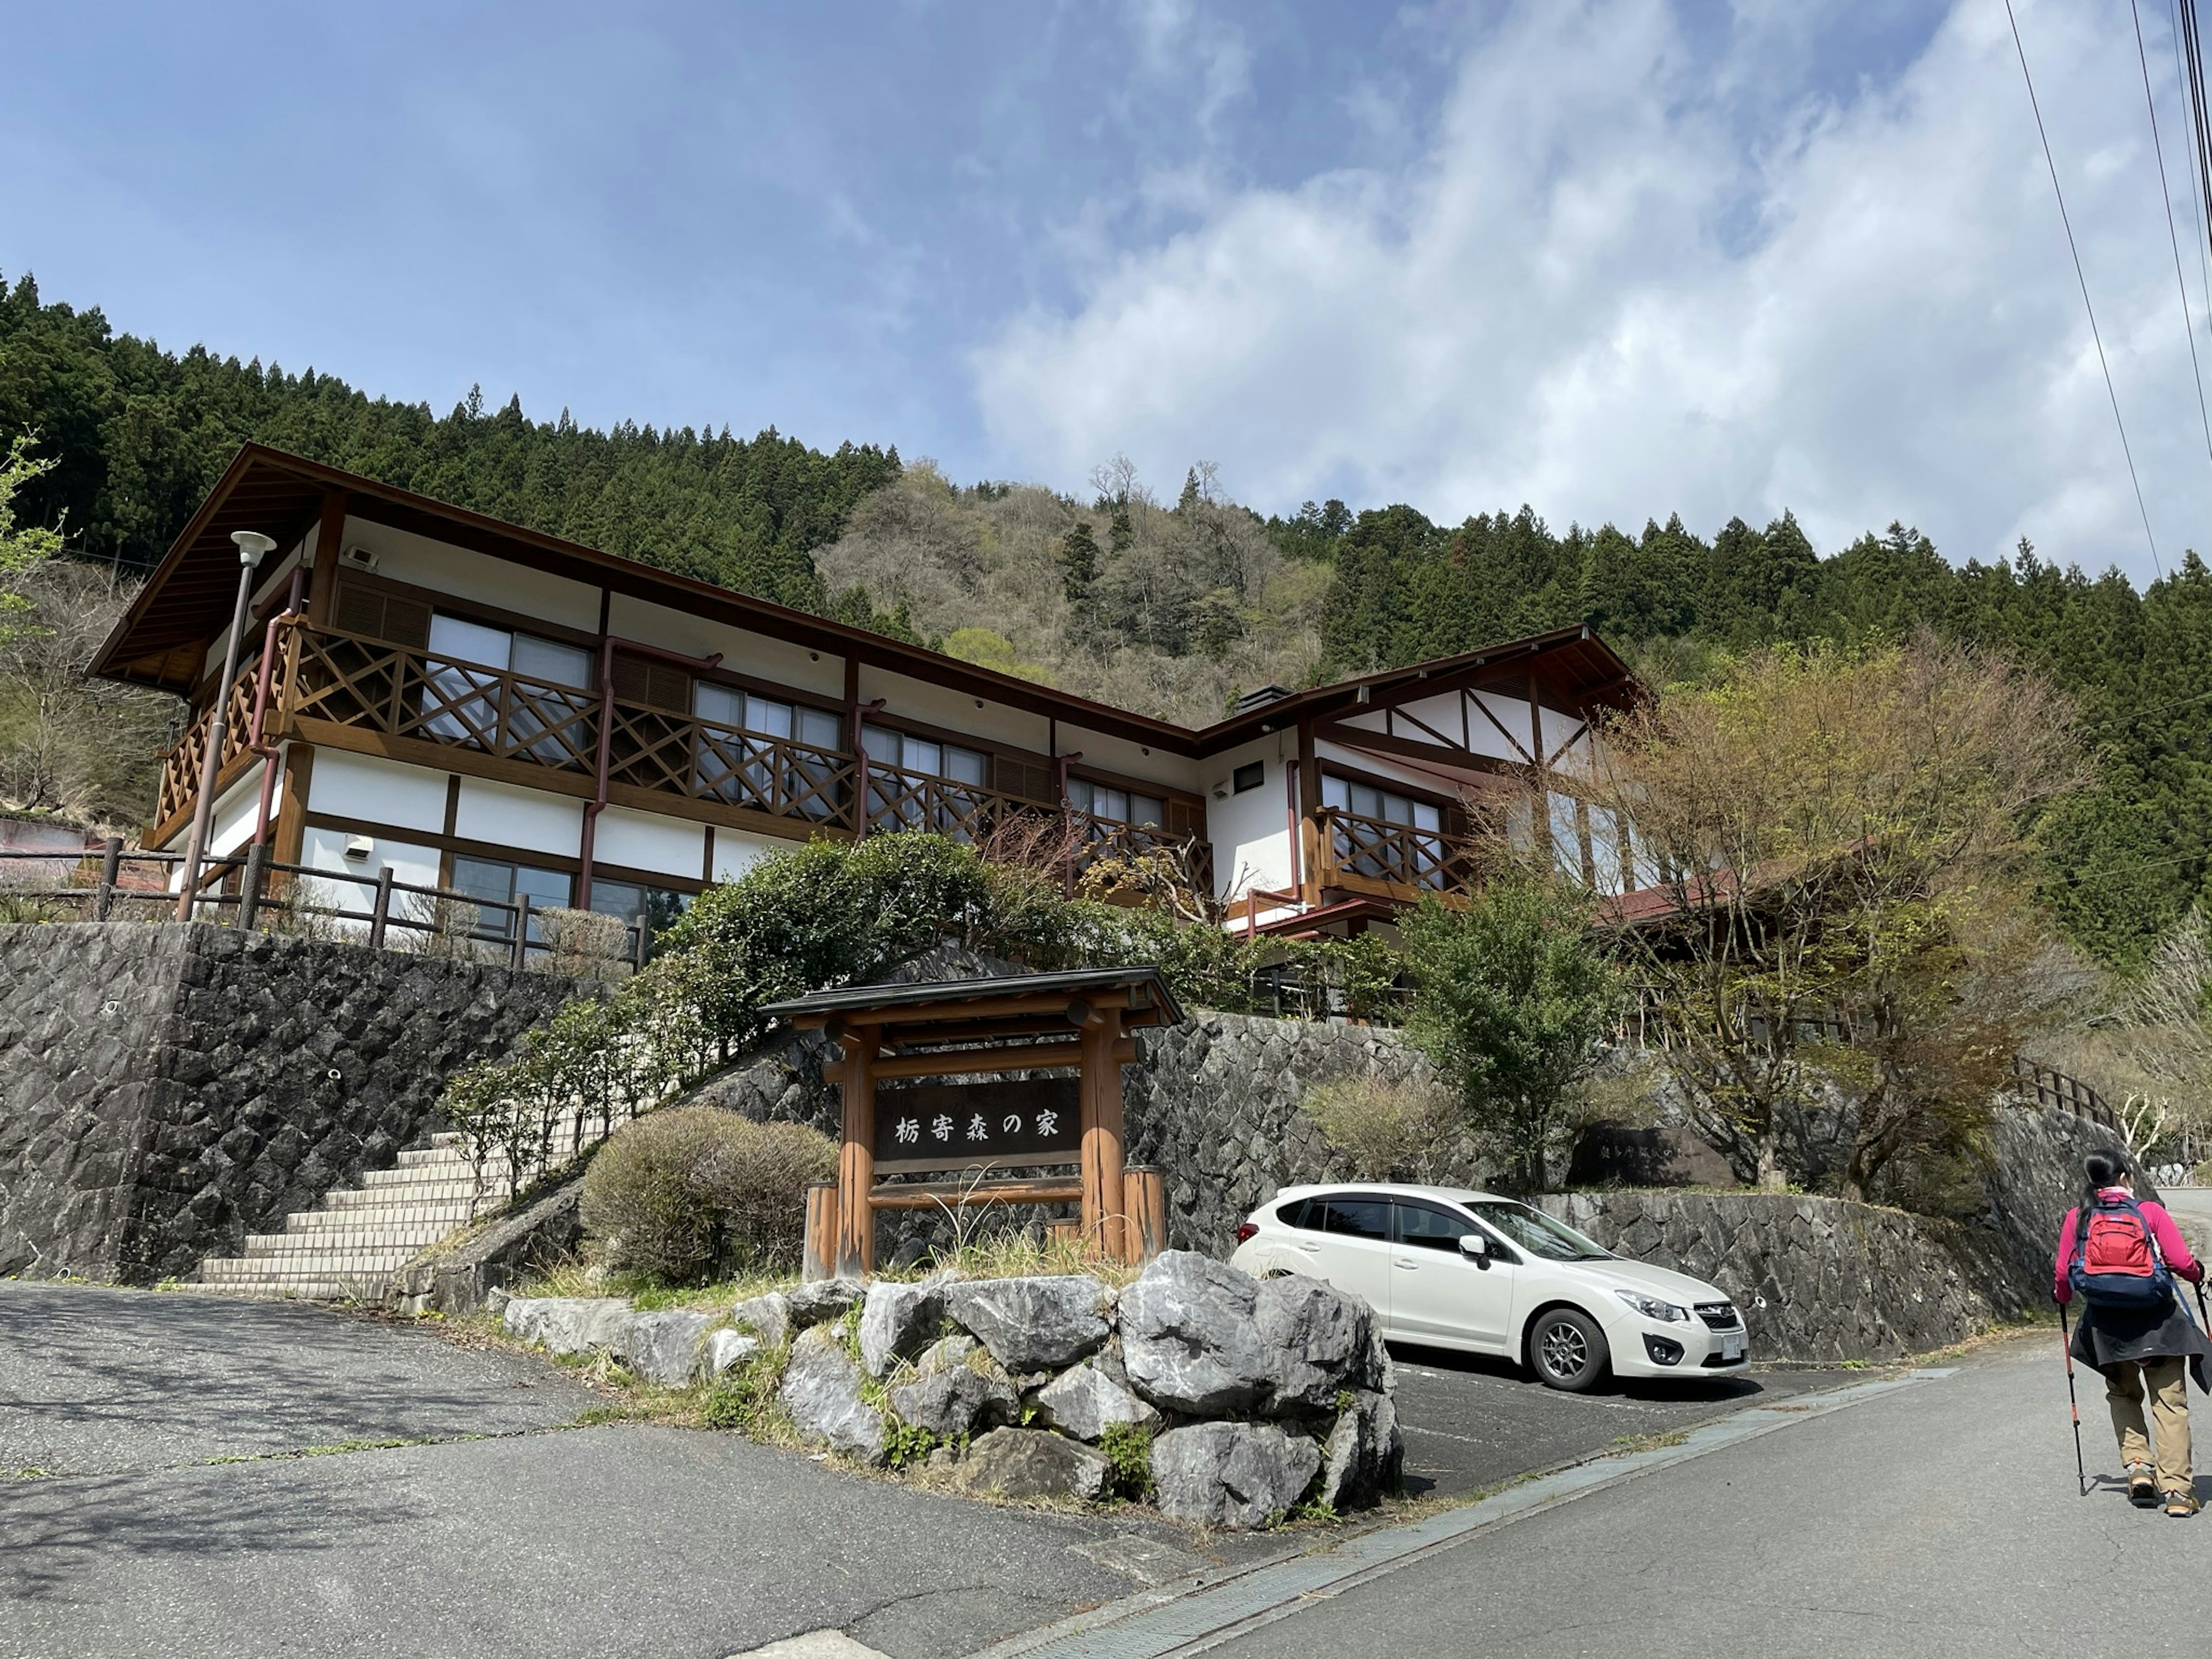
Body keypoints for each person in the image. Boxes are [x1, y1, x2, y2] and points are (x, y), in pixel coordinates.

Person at [2054, 1151, 2211, 1516]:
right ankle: (2176, 1491)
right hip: (2158, 1323)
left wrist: (2061, 1298)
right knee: (2170, 1404)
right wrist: (2196, 1273)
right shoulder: (2149, 1212)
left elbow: (2063, 1276)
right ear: (2125, 1177)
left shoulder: (2078, 1216)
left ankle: (2139, 1470)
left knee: (2123, 1395)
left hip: (2107, 1328)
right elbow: (2180, 1261)